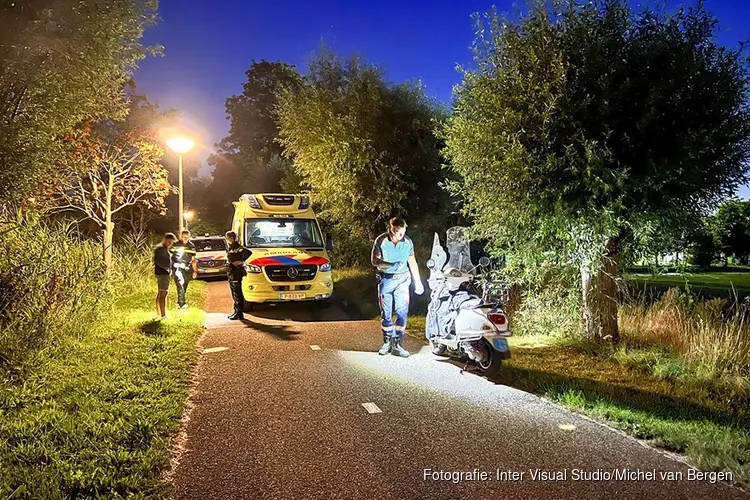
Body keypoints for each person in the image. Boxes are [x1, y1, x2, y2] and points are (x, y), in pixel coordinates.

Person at [371, 217, 424, 357]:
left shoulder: (407, 242)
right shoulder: (381, 241)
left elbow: (412, 262)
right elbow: (374, 261)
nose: (400, 235)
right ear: (391, 229)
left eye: (402, 232)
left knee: (402, 312)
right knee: (386, 313)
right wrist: (389, 265)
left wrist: (417, 281)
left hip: (402, 280)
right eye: (397, 232)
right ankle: (387, 341)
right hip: (386, 280)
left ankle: (398, 344)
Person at [225, 230, 252, 320]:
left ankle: (239, 313)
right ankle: (236, 311)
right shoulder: (231, 247)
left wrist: (241, 261)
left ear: (231, 238)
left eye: (227, 237)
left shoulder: (236, 246)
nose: (226, 239)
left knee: (237, 293)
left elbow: (248, 252)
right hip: (232, 272)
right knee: (234, 292)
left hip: (236, 272)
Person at [170, 230, 199, 309]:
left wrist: (195, 271)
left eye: (187, 237)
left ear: (189, 237)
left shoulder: (191, 246)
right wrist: (170, 267)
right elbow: (170, 257)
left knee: (184, 284)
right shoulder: (175, 245)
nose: (185, 238)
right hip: (177, 267)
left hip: (187, 268)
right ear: (180, 236)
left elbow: (193, 259)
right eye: (183, 237)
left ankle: (180, 300)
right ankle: (181, 303)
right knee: (180, 284)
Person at [153, 232, 177, 320]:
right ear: (165, 240)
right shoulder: (161, 249)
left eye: (172, 242)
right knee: (164, 293)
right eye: (169, 241)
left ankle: (159, 313)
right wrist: (167, 269)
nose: (170, 244)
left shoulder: (162, 248)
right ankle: (163, 315)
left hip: (162, 273)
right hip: (163, 273)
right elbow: (159, 261)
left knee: (161, 293)